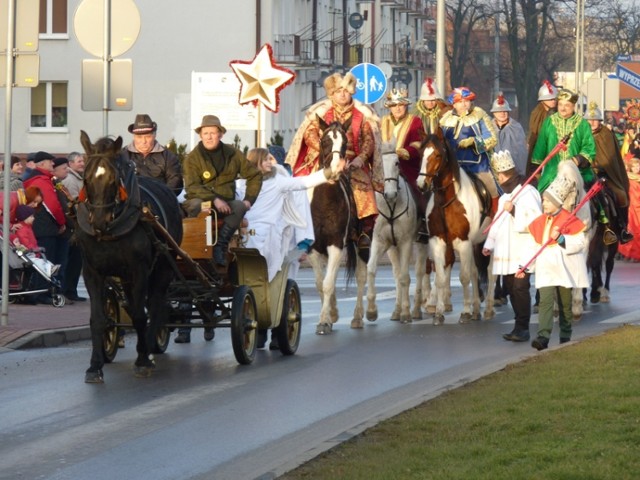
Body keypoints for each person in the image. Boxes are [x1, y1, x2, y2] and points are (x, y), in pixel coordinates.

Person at [285, 72, 383, 255]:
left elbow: (368, 140)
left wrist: (359, 159)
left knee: (364, 191)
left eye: (346, 91)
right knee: (303, 188)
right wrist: (323, 149)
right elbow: (310, 133)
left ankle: (362, 232)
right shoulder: (321, 113)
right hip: (325, 160)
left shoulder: (361, 116)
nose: (343, 94)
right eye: (338, 91)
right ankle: (301, 227)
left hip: (351, 163)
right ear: (331, 94)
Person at [518, 174, 589, 350]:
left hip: (564, 268)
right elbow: (534, 246)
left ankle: (565, 334)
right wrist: (525, 268)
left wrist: (562, 239)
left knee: (565, 304)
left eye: (547, 202)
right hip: (545, 268)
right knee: (545, 301)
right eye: (543, 201)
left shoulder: (569, 219)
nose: (544, 204)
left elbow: (580, 242)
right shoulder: (540, 221)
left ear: (557, 202)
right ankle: (543, 337)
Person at [182, 114, 262, 266]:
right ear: (200, 135)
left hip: (227, 204)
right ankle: (198, 250)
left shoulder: (233, 154)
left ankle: (221, 245)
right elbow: (192, 187)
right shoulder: (192, 158)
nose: (209, 137)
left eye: (213, 133)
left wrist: (249, 200)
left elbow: (255, 176)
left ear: (220, 134)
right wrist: (215, 200)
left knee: (239, 206)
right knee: (197, 204)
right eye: (205, 133)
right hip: (200, 202)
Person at [482, 151, 542, 342]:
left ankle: (523, 327)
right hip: (506, 251)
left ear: (509, 174)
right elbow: (497, 223)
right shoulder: (503, 198)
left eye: (500, 175)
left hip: (523, 251)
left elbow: (536, 222)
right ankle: (517, 324)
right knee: (510, 288)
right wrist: (489, 244)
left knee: (519, 288)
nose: (498, 179)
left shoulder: (529, 193)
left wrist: (515, 210)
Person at [439, 86, 499, 213]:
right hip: (452, 166)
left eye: (467, 100)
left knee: (492, 188)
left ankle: (495, 215)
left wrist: (473, 142)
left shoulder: (479, 114)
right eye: (460, 101)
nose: (464, 104)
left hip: (477, 165)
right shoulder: (445, 119)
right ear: (454, 104)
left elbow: (492, 139)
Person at [380, 87, 428, 242]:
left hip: (407, 167)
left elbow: (418, 144)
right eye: (394, 105)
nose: (398, 108)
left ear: (406, 105)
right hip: (385, 168)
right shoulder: (382, 122)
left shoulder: (415, 121)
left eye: (401, 104)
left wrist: (403, 152)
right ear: (389, 107)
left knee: (418, 191)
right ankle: (366, 228)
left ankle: (423, 224)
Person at [583, 102, 634, 244]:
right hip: (584, 174)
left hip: (604, 175)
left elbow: (611, 158)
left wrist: (601, 168)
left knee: (621, 195)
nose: (592, 123)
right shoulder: (580, 134)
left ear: (600, 121)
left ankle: (622, 229)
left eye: (595, 120)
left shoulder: (607, 134)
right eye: (589, 120)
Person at [22, 152, 68, 304]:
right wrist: (62, 222)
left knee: (43, 260)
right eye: (50, 162)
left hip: (41, 226)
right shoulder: (41, 180)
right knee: (46, 261)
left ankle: (41, 291)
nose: (52, 165)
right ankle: (42, 293)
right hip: (45, 227)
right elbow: (52, 206)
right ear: (41, 164)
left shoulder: (39, 179)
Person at [531, 88, 596, 194]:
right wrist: (537, 170)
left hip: (577, 171)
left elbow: (589, 147)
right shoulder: (549, 122)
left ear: (573, 106)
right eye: (560, 104)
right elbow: (540, 146)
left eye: (567, 105)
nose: (562, 108)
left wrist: (577, 160)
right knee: (539, 196)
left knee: (593, 197)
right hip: (552, 172)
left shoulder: (583, 124)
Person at [121, 114, 183, 195]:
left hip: (159, 202)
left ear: (154, 135)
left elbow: (175, 181)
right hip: (130, 203)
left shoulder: (168, 156)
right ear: (134, 137)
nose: (144, 141)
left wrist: (158, 197)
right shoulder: (122, 156)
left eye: (148, 136)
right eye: (139, 137)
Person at [61, 152, 87, 302]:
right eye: (78, 161)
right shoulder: (71, 180)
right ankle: (69, 291)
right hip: (75, 225)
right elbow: (73, 204)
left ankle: (71, 290)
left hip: (78, 224)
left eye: (82, 160)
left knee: (75, 261)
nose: (82, 163)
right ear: (70, 164)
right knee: (73, 260)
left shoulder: (78, 178)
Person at [10, 205, 61, 279]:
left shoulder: (28, 227)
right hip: (27, 253)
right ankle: (49, 269)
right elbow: (25, 243)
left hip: (31, 252)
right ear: (25, 218)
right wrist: (34, 249)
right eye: (31, 217)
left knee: (43, 261)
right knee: (38, 262)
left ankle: (51, 268)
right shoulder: (22, 229)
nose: (33, 218)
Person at [526, 80, 558, 178]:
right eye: (549, 99)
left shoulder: (560, 112)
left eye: (554, 98)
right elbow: (534, 132)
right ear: (542, 100)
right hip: (539, 148)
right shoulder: (536, 113)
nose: (553, 101)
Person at [490, 93, 527, 175]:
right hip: (493, 170)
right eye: (499, 111)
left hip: (513, 170)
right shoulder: (488, 127)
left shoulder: (516, 127)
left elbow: (521, 152)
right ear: (494, 113)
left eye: (504, 111)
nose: (502, 113)